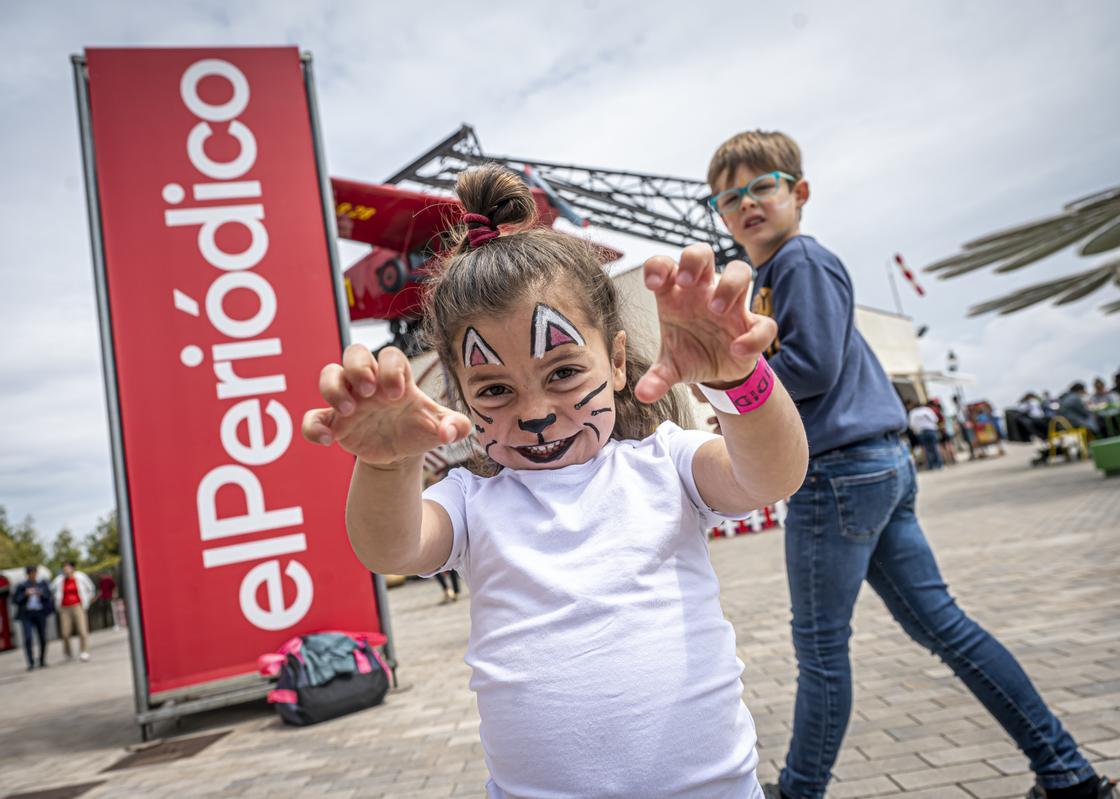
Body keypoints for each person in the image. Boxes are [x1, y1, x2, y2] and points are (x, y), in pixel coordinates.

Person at [303, 165, 809, 798]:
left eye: (565, 371)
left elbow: (771, 477)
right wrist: (385, 465)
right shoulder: (469, 503)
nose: (535, 411)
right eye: (494, 389)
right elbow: (391, 548)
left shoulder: (666, 462)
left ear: (617, 362)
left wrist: (741, 381)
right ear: (459, 395)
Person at [705, 130, 1112, 799]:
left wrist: (727, 376)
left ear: (798, 192)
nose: (746, 203)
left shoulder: (797, 262)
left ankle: (801, 791)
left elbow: (811, 368)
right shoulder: (789, 268)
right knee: (944, 627)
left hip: (837, 472)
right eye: (728, 197)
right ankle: (1065, 769)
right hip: (876, 465)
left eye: (761, 186)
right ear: (718, 214)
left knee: (822, 650)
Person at [51, 560, 94, 662]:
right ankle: (68, 653)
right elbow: (52, 591)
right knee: (65, 633)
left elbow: (91, 588)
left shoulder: (80, 577)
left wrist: (87, 600)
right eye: (64, 568)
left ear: (73, 568)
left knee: (82, 630)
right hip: (64, 608)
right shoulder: (59, 580)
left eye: (68, 567)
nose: (66, 570)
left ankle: (84, 652)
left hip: (78, 606)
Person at [11, 566, 52, 671]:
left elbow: (48, 596)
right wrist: (25, 594)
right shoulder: (22, 586)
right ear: (28, 575)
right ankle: (30, 662)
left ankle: (42, 660)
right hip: (27, 615)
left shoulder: (42, 584)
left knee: (42, 637)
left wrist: (41, 594)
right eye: (31, 573)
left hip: (40, 613)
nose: (33, 575)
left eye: (34, 573)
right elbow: (15, 600)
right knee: (28, 638)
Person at [907, 400, 943, 470]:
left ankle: (931, 465)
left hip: (921, 432)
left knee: (926, 449)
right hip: (930, 430)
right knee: (934, 447)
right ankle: (939, 464)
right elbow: (935, 419)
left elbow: (911, 425)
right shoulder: (927, 410)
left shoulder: (913, 413)